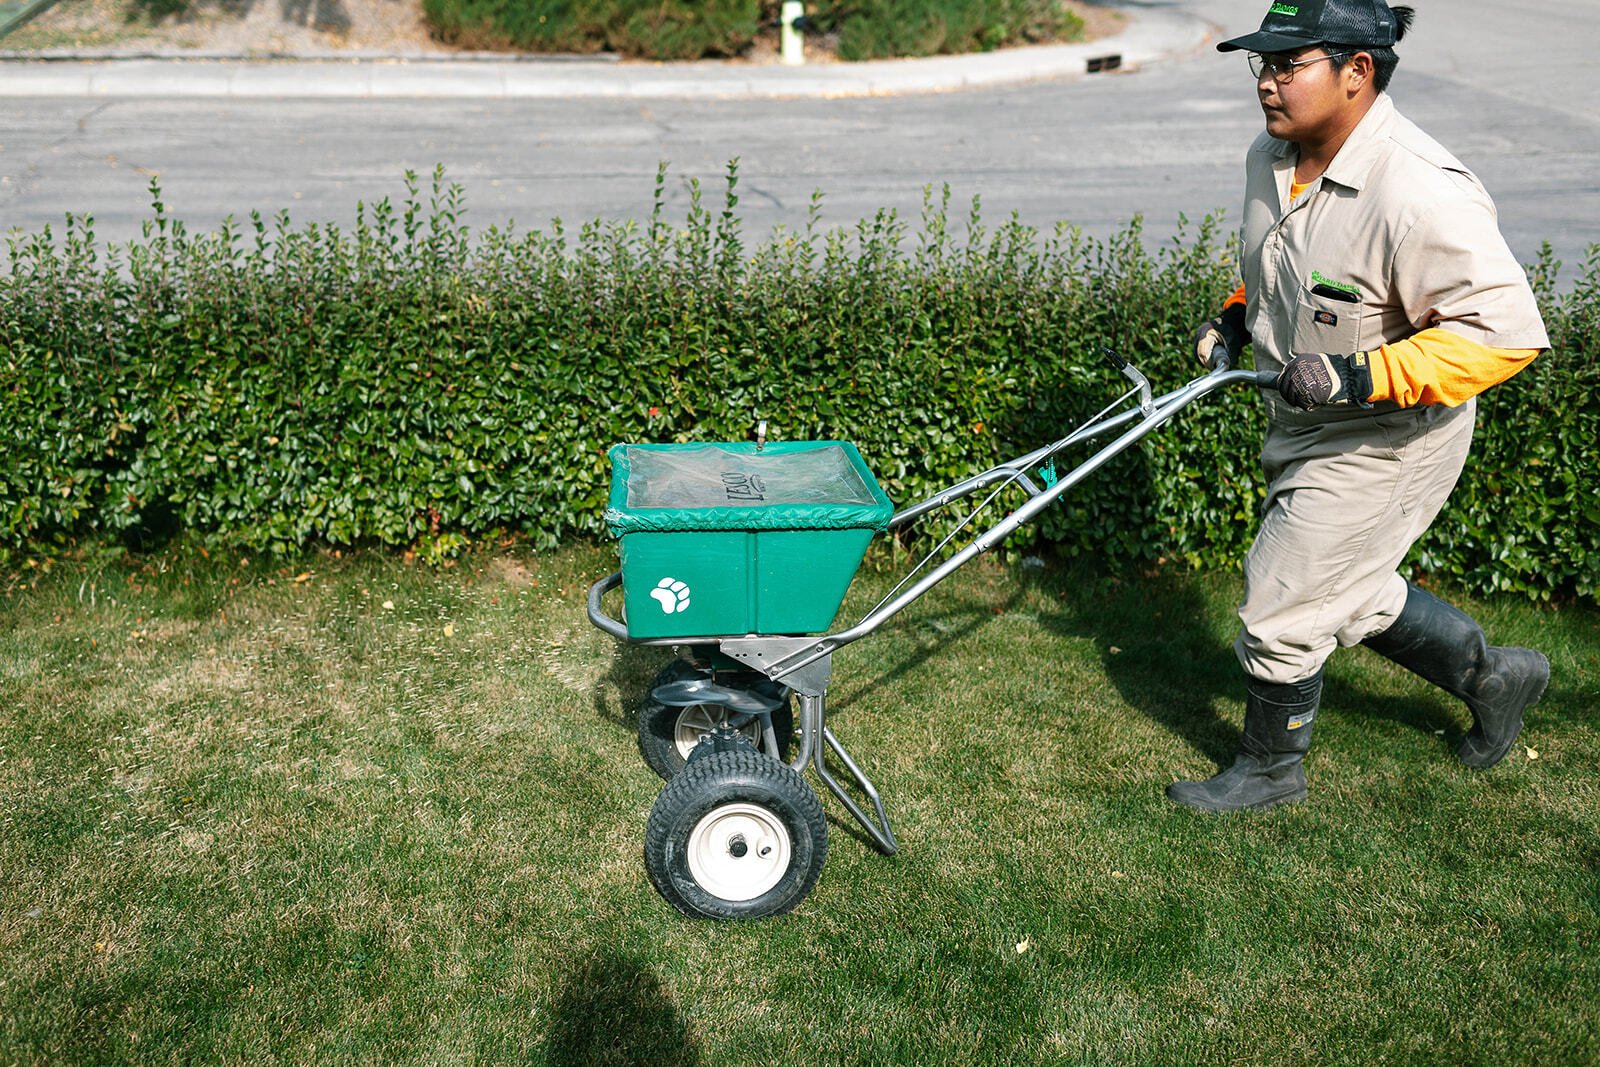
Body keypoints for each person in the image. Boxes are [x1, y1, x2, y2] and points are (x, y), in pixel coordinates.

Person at [1168, 0, 1551, 812]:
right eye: (1262, 64)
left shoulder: (1419, 190)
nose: (1267, 82)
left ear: (1358, 71)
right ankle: (1494, 676)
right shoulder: (1273, 158)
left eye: (1288, 65)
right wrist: (1234, 316)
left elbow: (1504, 335)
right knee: (1347, 585)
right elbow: (1286, 265)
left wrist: (1358, 376)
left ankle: (1271, 770)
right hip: (1305, 418)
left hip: (1390, 434)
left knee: (1282, 599)